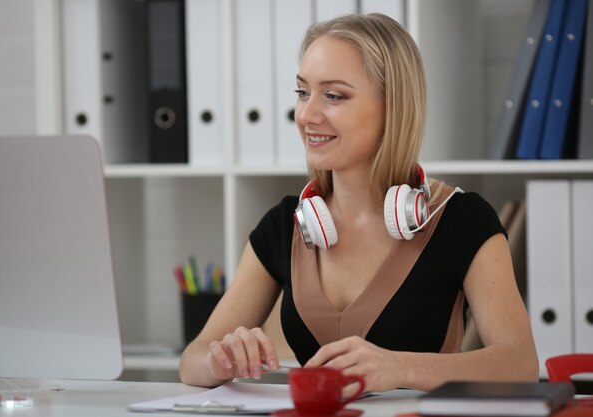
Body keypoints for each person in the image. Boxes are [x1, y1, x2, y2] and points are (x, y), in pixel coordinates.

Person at [179, 12, 539, 393]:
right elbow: (193, 358)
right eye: (303, 92)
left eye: (333, 96)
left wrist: (398, 368)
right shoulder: (286, 223)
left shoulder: (461, 220)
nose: (306, 115)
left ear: (392, 106)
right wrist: (220, 360)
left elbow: (520, 363)